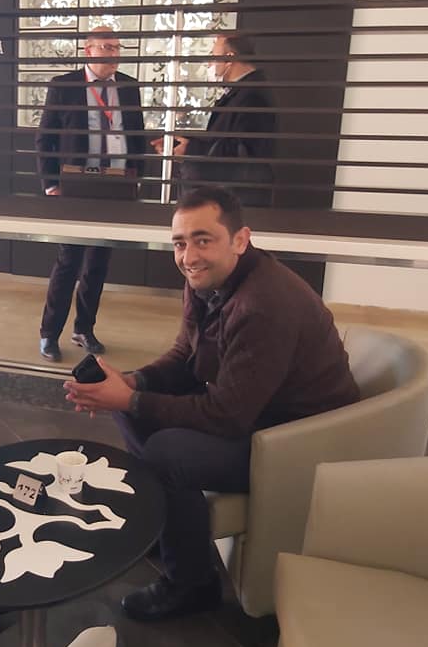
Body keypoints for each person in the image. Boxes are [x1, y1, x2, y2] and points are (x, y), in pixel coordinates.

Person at [63, 186, 359, 621]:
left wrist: (132, 397)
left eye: (203, 240)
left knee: (166, 454)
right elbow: (185, 354)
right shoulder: (207, 280)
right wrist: (132, 383)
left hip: (296, 440)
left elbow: (227, 415)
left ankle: (192, 586)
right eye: (180, 243)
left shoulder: (263, 304)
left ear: (240, 239)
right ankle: (171, 528)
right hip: (256, 411)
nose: (189, 257)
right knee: (130, 410)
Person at [35, 26, 146, 362]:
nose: (114, 54)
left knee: (99, 261)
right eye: (106, 47)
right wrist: (51, 184)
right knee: (68, 261)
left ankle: (84, 328)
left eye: (117, 47)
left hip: (115, 185)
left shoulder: (128, 87)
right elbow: (45, 138)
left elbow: (136, 135)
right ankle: (49, 334)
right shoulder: (64, 86)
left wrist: (137, 178)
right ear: (89, 51)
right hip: (76, 186)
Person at [153, 34, 276, 206]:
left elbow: (244, 153)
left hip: (238, 202)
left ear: (229, 58)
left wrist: (191, 149)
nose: (209, 64)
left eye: (213, 56)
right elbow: (223, 142)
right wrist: (186, 145)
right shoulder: (239, 94)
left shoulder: (252, 97)